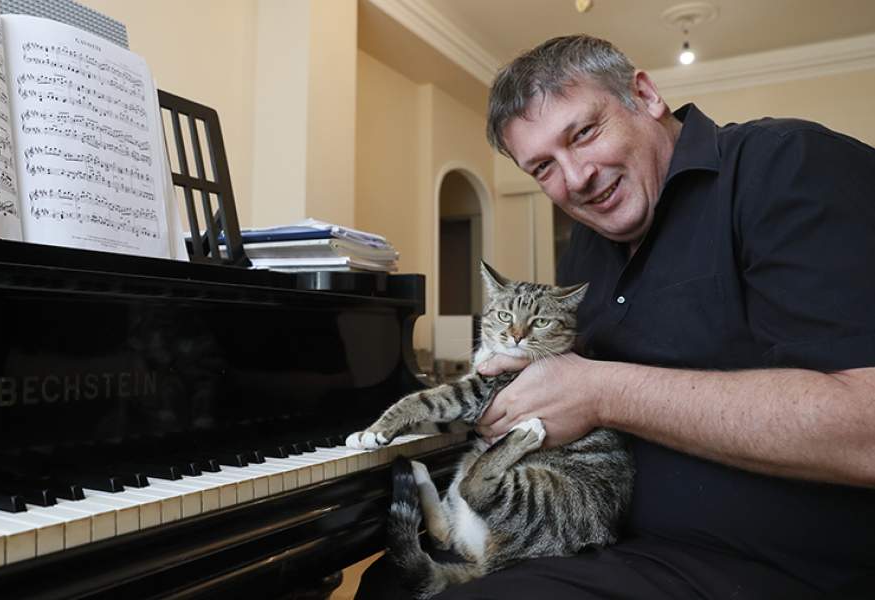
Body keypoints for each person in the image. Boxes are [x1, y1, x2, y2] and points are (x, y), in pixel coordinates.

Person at [356, 34, 875, 599]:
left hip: (778, 569)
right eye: (543, 167)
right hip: (609, 539)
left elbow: (866, 429)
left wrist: (602, 392)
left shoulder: (788, 163)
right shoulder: (588, 244)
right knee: (391, 582)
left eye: (583, 133)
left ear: (645, 95)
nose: (576, 178)